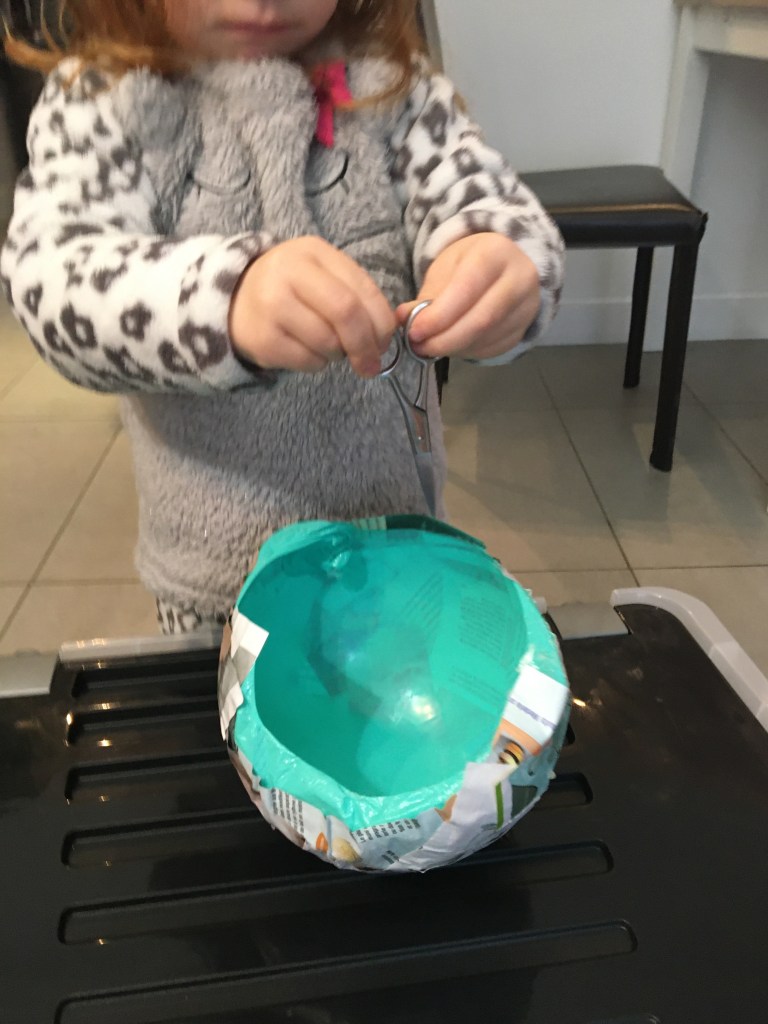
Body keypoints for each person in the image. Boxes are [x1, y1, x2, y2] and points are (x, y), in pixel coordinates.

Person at [0, 0, 565, 635]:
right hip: (215, 582)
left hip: (395, 552)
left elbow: (481, 197)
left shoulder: (390, 87)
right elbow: (51, 281)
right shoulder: (104, 100)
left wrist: (496, 258)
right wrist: (224, 300)